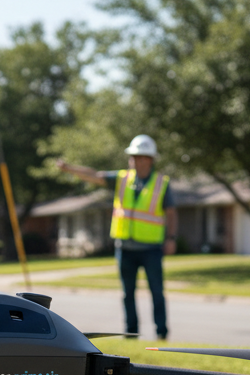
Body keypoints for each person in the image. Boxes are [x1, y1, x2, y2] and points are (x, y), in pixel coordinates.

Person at [56, 135, 177, 340]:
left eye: (140, 157)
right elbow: (95, 175)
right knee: (127, 294)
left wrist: (171, 238)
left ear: (150, 159)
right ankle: (131, 333)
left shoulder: (161, 183)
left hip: (151, 249)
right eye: (133, 156)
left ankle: (161, 333)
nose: (135, 160)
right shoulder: (122, 179)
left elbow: (171, 212)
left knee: (157, 292)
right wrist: (69, 168)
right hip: (125, 248)